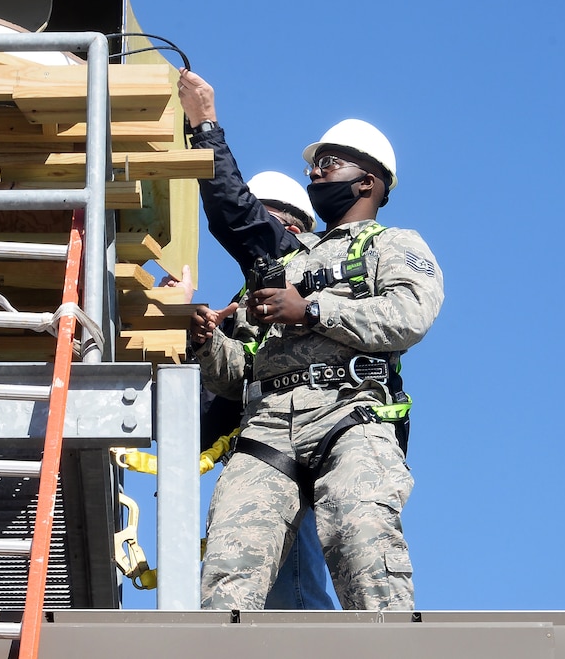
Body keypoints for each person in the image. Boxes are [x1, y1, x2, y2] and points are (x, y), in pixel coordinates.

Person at [179, 73, 444, 611]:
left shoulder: (394, 245)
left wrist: (314, 308)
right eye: (315, 166)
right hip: (268, 424)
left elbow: (409, 315)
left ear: (368, 182)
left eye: (330, 164)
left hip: (351, 416)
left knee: (362, 540)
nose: (317, 174)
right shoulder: (285, 258)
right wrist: (207, 344)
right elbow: (240, 374)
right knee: (230, 569)